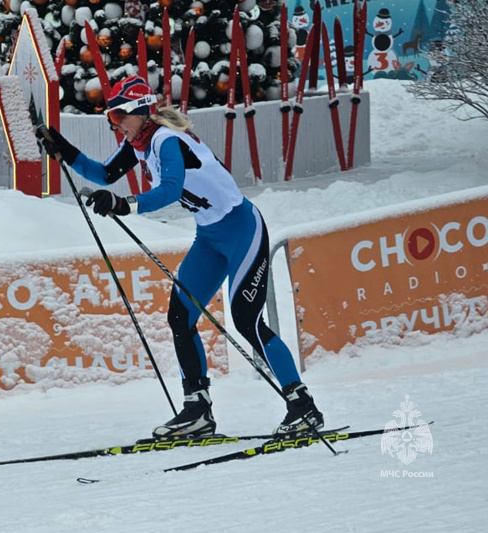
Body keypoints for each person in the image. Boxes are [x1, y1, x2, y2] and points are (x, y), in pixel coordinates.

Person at [37, 75, 324, 439]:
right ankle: (197, 410)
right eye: (110, 117)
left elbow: (170, 189)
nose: (115, 124)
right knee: (180, 316)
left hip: (242, 231)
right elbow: (105, 173)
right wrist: (62, 147)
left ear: (141, 111)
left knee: (246, 320)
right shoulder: (140, 142)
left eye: (119, 116)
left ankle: (303, 407)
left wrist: (125, 205)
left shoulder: (166, 140)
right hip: (210, 238)